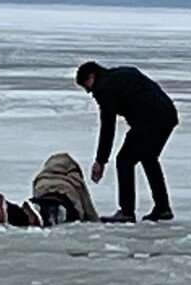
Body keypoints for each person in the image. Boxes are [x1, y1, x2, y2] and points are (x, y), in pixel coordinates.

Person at [76, 61, 179, 223]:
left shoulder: (103, 88)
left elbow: (108, 126)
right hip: (167, 114)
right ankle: (163, 208)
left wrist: (100, 161)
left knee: (124, 160)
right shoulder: (121, 73)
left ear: (92, 76)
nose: (89, 92)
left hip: (149, 120)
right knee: (149, 158)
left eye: (86, 86)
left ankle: (126, 212)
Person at [0, 152, 99, 227]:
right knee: (54, 214)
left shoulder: (43, 176)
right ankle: (37, 216)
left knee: (35, 208)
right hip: (64, 201)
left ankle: (9, 209)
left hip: (43, 198)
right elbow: (87, 205)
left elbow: (36, 190)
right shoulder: (74, 179)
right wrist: (95, 220)